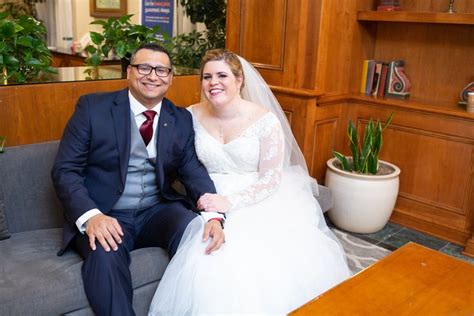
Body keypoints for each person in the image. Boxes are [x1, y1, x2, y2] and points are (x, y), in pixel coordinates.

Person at [148, 49, 351, 315]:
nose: (213, 83)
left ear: (239, 79)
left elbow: (270, 178)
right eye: (207, 77)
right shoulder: (190, 116)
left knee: (245, 256)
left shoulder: (265, 121)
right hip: (206, 195)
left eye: (222, 75)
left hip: (256, 198)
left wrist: (230, 201)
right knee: (206, 248)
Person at [51, 43, 225, 316]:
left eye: (161, 70)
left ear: (170, 77)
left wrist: (213, 215)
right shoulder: (92, 108)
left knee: (199, 233)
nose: (152, 76)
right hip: (106, 212)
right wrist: (91, 216)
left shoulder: (179, 118)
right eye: (144, 67)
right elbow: (65, 170)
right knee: (105, 254)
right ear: (129, 72)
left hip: (157, 211)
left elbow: (192, 170)